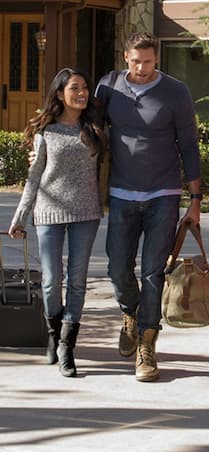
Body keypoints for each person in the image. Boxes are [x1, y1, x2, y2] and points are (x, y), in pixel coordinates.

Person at [95, 32, 202, 382]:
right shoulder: (108, 87)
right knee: (117, 268)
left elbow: (188, 142)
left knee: (154, 272)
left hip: (163, 194)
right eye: (136, 61)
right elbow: (87, 128)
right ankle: (131, 311)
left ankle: (146, 343)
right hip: (122, 193)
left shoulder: (176, 92)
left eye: (149, 62)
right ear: (125, 57)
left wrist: (195, 200)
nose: (142, 69)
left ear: (157, 59)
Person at [9, 68, 107, 378]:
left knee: (77, 282)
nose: (82, 93)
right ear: (60, 93)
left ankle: (67, 346)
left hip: (86, 213)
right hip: (49, 213)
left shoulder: (94, 127)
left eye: (85, 88)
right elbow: (34, 175)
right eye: (75, 88)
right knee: (52, 281)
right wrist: (20, 217)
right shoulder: (46, 131)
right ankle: (53, 334)